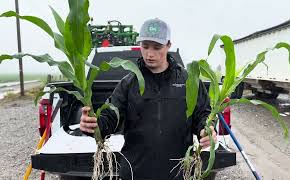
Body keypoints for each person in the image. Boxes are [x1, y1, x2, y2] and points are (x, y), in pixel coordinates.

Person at [80, 18, 217, 180]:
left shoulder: (189, 81)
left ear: (168, 45)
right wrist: (93, 125)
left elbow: (203, 114)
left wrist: (207, 130)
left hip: (178, 173)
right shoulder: (129, 83)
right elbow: (109, 119)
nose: (150, 54)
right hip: (135, 173)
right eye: (145, 46)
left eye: (157, 47)